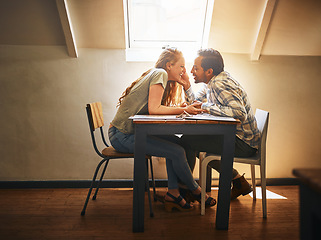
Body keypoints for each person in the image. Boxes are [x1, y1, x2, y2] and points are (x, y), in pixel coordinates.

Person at [108, 48, 216, 212]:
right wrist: (184, 110)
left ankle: (173, 192)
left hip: (127, 133)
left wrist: (183, 95)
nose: (184, 70)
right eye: (181, 66)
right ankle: (196, 190)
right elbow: (154, 109)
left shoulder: (158, 74)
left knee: (179, 145)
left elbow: (155, 108)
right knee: (177, 152)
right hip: (122, 135)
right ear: (169, 65)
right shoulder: (160, 73)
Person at [179, 48, 261, 200]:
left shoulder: (219, 84)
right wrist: (187, 86)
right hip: (238, 137)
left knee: (187, 141)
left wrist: (205, 106)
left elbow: (239, 113)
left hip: (244, 143)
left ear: (209, 71)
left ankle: (185, 191)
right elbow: (195, 103)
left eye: (196, 68)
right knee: (190, 142)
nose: (191, 71)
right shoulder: (211, 82)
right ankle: (237, 181)